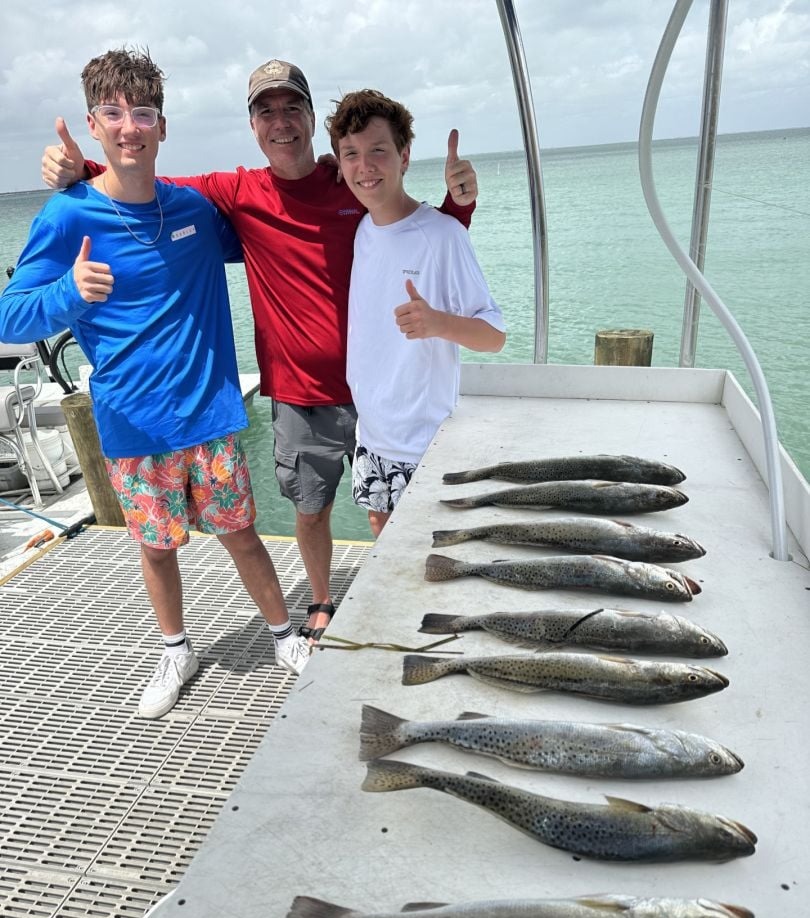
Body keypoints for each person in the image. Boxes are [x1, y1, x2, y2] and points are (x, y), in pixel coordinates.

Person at [41, 59, 479, 644]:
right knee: (311, 509)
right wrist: (84, 169)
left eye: (292, 107)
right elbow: (148, 187)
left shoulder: (350, 180)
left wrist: (458, 206)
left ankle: (414, 596)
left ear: (312, 119)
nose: (281, 121)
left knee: (395, 510)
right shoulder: (237, 192)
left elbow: (417, 237)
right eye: (266, 111)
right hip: (300, 393)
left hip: (381, 387)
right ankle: (320, 601)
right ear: (252, 126)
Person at [1, 47, 310, 720]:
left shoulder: (195, 210)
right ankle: (176, 650)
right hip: (131, 423)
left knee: (242, 533)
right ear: (92, 125)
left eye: (142, 113)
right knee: (156, 547)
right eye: (112, 114)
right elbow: (10, 314)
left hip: (209, 414)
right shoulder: (67, 216)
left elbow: (269, 231)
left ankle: (285, 633)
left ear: (162, 127)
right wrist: (68, 293)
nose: (129, 127)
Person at [325, 90, 506, 536]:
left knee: (429, 548)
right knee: (381, 533)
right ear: (340, 164)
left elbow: (494, 335)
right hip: (372, 434)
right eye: (351, 154)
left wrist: (438, 322)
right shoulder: (361, 228)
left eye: (378, 151)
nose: (365, 166)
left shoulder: (443, 235)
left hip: (424, 441)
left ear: (404, 156)